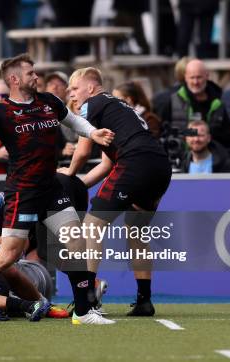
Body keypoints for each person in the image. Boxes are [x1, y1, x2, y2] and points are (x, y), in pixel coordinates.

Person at [0, 54, 115, 325]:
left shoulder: (49, 102)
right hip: (22, 193)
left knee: (76, 242)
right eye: (30, 73)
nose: (36, 77)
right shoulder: (1, 112)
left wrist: (92, 133)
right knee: (8, 254)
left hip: (51, 187)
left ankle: (82, 311)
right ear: (14, 79)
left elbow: (72, 120)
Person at [60, 67, 171, 318]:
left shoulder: (93, 105)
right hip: (160, 166)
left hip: (135, 163)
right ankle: (144, 300)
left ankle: (87, 299)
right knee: (137, 234)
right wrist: (79, 184)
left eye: (75, 88)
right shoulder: (117, 107)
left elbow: (82, 151)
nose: (71, 94)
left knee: (91, 226)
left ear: (91, 87)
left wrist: (69, 173)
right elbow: (107, 164)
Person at [159, 59, 230, 147]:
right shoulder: (173, 101)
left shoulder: (218, 101)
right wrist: (196, 133)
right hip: (181, 157)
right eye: (192, 77)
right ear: (185, 77)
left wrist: (208, 134)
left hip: (212, 157)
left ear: (207, 76)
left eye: (199, 77)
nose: (195, 82)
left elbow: (227, 137)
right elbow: (164, 132)